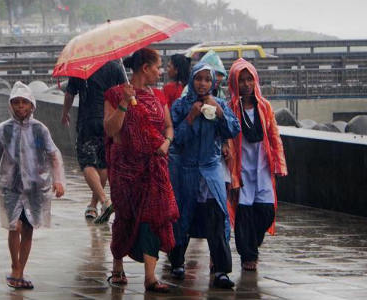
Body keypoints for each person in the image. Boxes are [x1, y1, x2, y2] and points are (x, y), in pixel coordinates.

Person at [103, 48, 179, 293]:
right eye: (157, 67)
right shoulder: (115, 94)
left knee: (152, 217)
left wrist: (166, 144)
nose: (160, 72)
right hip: (125, 169)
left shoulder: (158, 97)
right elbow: (111, 131)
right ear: (145, 68)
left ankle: (150, 276)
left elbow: (168, 127)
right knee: (125, 216)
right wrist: (124, 103)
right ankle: (117, 265)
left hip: (154, 168)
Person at [0, 81, 65, 289]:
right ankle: (14, 266)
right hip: (10, 185)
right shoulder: (3, 130)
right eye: (16, 103)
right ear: (11, 105)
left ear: (31, 105)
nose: (20, 107)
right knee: (14, 225)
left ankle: (20, 270)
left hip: (35, 186)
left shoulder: (40, 130)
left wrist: (58, 180)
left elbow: (54, 155)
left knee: (28, 228)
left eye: (24, 103)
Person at [169, 62, 241, 289]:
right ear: (192, 80)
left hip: (211, 171)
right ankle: (177, 261)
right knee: (183, 217)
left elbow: (233, 130)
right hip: (187, 170)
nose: (202, 84)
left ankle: (221, 269)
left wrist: (220, 114)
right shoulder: (181, 105)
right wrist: (191, 117)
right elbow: (176, 139)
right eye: (199, 79)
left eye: (207, 80)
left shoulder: (219, 104)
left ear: (213, 83)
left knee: (217, 218)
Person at [225, 58, 288, 271]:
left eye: (249, 79)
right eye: (240, 80)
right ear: (234, 83)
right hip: (241, 170)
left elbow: (273, 135)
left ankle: (252, 244)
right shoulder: (230, 108)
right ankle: (248, 256)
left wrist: (279, 165)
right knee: (244, 214)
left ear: (255, 81)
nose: (245, 84)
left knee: (266, 211)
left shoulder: (264, 107)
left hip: (262, 168)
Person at [61, 60, 126, 220]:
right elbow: (126, 90)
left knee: (87, 163)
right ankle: (93, 205)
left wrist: (65, 113)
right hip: (109, 119)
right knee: (102, 164)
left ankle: (104, 200)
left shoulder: (81, 66)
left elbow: (70, 94)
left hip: (87, 121)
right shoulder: (116, 66)